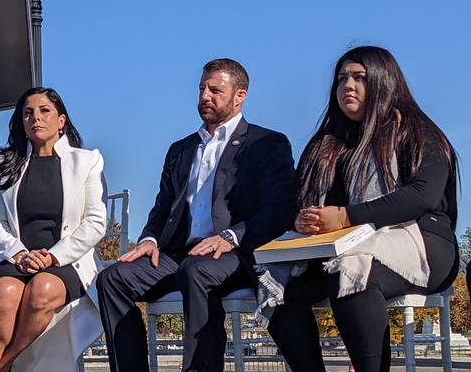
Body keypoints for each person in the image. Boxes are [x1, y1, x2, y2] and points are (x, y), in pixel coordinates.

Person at [95, 58, 296, 372]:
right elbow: (162, 207)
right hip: (179, 254)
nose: (205, 96)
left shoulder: (266, 143)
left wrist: (231, 237)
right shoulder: (181, 149)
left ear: (240, 96)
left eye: (215, 90)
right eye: (202, 88)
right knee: (112, 279)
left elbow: (279, 210)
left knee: (196, 271)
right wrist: (149, 239)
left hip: (237, 253)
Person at [266, 46, 459, 372]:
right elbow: (293, 201)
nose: (347, 86)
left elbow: (422, 195)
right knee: (278, 289)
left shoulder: (416, 130)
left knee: (354, 270)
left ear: (384, 82)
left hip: (420, 240)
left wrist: (345, 216)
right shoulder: (324, 143)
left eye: (360, 78)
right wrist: (301, 219)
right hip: (335, 245)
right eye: (341, 78)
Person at [0, 87, 107, 371]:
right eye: (28, 113)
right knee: (4, 293)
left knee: (42, 289)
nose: (35, 118)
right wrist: (18, 254)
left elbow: (95, 223)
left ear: (61, 120)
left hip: (67, 261)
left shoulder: (87, 161)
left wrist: (52, 257)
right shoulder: (6, 165)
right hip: (18, 260)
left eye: (44, 111)